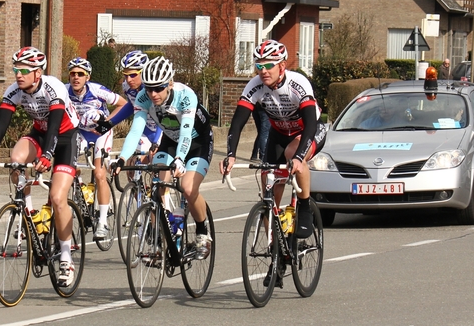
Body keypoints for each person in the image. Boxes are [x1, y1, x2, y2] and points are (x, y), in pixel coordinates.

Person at [0, 46, 80, 287]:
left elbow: (54, 127)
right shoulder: (14, 91)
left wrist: (48, 155)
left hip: (65, 138)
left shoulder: (54, 88)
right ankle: (27, 212)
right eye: (15, 70)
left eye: (23, 70)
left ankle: (65, 257)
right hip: (40, 135)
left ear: (38, 73)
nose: (17, 75)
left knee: (57, 197)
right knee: (16, 159)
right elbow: (0, 128)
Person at [219, 39, 327, 240]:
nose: (263, 71)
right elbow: (237, 122)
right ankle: (275, 245)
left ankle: (304, 207)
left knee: (293, 155)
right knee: (268, 183)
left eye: (268, 65)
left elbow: (311, 124)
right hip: (279, 134)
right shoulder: (255, 85)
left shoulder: (298, 84)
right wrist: (231, 155)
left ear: (282, 66)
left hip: (307, 131)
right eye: (259, 66)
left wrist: (298, 157)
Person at [111, 56, 213, 259]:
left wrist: (180, 159)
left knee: (188, 187)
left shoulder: (186, 96)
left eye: (158, 88)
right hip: (170, 140)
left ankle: (202, 232)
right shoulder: (143, 97)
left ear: (170, 83)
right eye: (149, 88)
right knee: (157, 185)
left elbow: (185, 133)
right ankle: (161, 235)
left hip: (197, 142)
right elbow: (135, 130)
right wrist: (122, 158)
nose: (153, 94)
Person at [65, 57, 127, 240]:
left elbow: (123, 104)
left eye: (80, 74)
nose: (76, 77)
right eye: (73, 74)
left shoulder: (97, 90)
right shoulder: (64, 90)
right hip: (80, 133)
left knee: (100, 174)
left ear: (87, 77)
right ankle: (82, 194)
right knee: (68, 167)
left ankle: (102, 222)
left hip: (101, 133)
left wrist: (106, 124)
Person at [97, 50, 163, 168]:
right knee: (131, 165)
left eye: (133, 75)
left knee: (158, 167)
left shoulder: (155, 89)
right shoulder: (127, 86)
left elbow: (162, 117)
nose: (128, 79)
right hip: (145, 128)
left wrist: (156, 142)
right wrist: (109, 123)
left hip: (161, 129)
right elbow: (131, 106)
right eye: (125, 75)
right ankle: (136, 186)